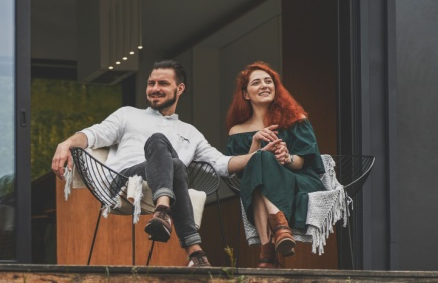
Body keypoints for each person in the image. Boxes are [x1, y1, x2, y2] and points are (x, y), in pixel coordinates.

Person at [51, 60, 285, 268]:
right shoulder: (127, 114)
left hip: (168, 183)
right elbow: (94, 135)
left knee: (176, 165)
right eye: (151, 83)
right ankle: (171, 221)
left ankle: (191, 247)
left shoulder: (190, 132)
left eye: (162, 83)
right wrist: (66, 143)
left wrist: (258, 153)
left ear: (179, 89)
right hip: (125, 182)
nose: (155, 88)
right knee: (158, 141)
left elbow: (222, 164)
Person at [224, 61, 326, 268]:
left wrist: (286, 158)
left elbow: (303, 163)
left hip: (299, 181)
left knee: (262, 165)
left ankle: (268, 252)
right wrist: (256, 143)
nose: (264, 85)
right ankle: (280, 229)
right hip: (257, 183)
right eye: (256, 83)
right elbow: (243, 173)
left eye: (268, 81)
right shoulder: (237, 131)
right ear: (245, 94)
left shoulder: (295, 120)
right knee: (261, 161)